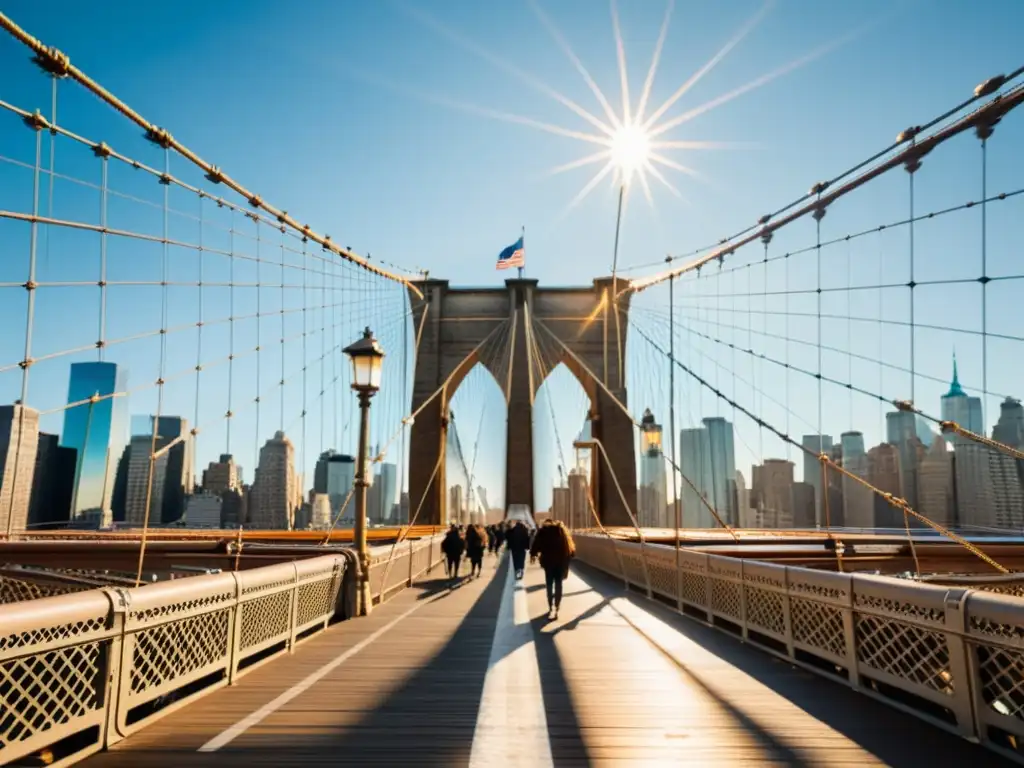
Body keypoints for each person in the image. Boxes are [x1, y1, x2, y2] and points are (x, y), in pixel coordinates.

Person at [530, 519, 576, 619]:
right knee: (559, 584)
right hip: (560, 562)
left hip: (548, 562)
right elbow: (570, 548)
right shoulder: (561, 531)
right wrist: (570, 557)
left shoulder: (543, 531)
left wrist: (533, 554)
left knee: (549, 584)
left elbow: (536, 545)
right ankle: (557, 606)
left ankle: (550, 606)